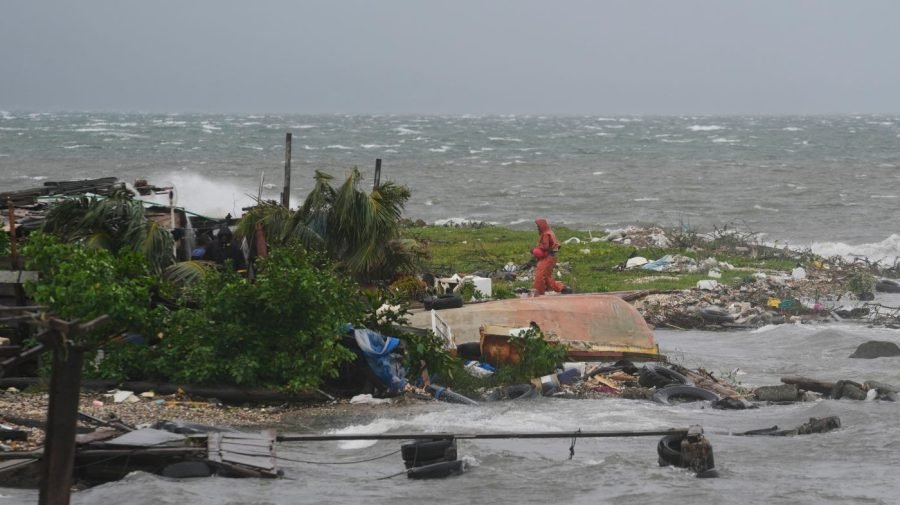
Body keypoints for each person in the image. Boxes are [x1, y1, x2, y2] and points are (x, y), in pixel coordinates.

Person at [532, 218, 570, 295]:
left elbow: (545, 247)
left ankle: (538, 292)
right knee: (547, 276)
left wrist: (536, 250)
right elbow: (557, 246)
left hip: (547, 258)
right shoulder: (550, 232)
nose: (537, 228)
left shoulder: (546, 234)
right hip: (551, 257)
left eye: (538, 226)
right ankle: (562, 288)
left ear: (542, 226)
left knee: (540, 275)